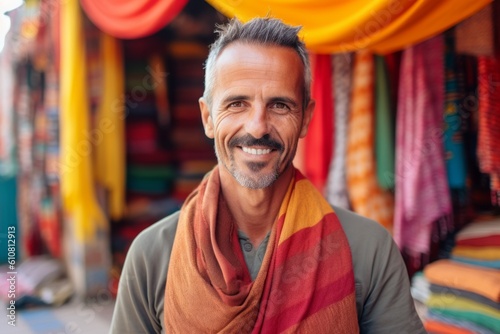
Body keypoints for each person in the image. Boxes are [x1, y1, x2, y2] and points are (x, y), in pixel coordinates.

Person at [110, 17, 426, 334]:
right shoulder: (153, 255)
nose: (258, 127)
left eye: (279, 105)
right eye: (237, 104)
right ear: (207, 117)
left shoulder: (368, 249)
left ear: (305, 118)